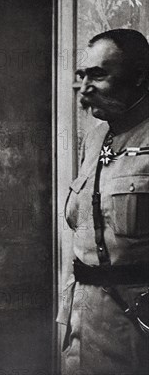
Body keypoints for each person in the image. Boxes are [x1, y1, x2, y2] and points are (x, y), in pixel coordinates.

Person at [59, 29, 149, 374]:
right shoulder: (96, 137)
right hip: (80, 324)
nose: (86, 88)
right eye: (83, 76)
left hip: (135, 333)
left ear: (139, 76)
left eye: (99, 75)